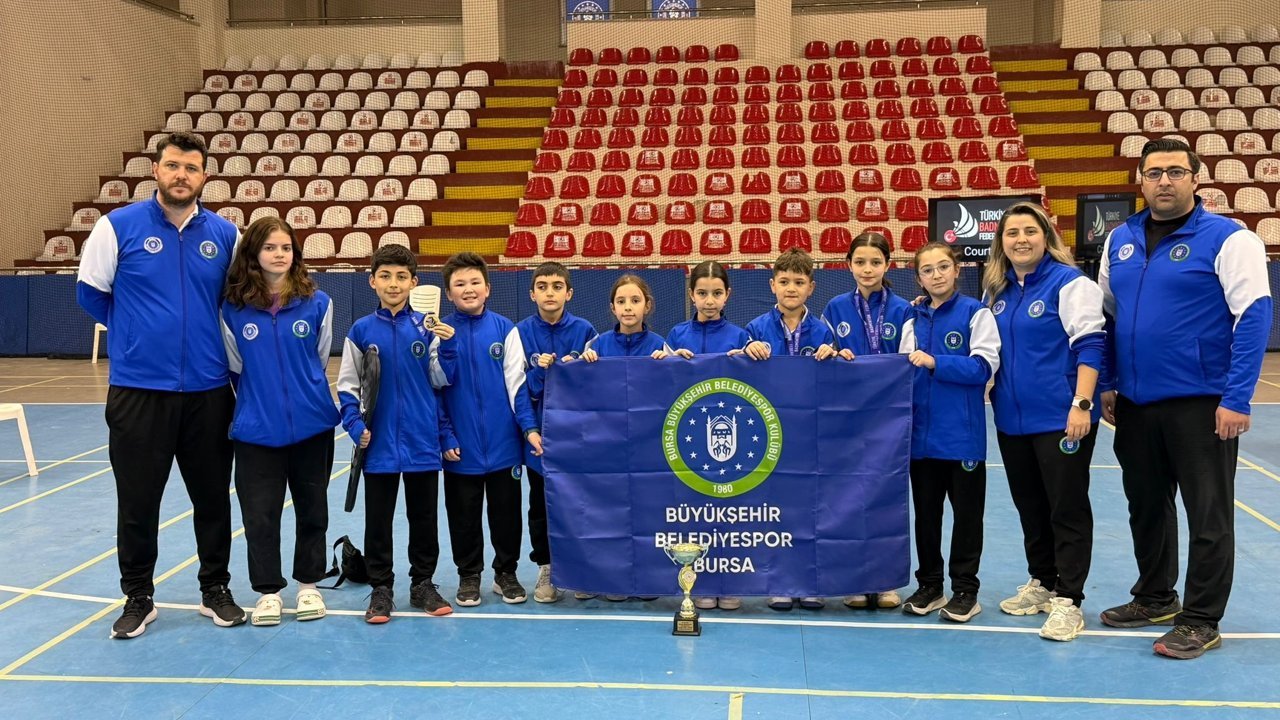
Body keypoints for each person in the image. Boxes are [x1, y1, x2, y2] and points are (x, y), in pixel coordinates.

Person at [1098, 138, 1272, 659]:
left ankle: (1200, 619)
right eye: (1154, 173)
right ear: (1141, 181)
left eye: (1176, 171)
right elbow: (1107, 316)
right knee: (1146, 508)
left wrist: (1237, 397)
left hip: (1202, 403)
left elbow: (1254, 315)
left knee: (1208, 515)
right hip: (1135, 403)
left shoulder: (1229, 238)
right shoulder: (1120, 239)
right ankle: (1155, 597)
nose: (1164, 181)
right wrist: (1108, 382)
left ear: (1196, 178)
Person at [76, 131, 245, 638]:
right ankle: (138, 596)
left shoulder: (226, 235)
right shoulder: (116, 226)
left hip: (208, 391)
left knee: (212, 498)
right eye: (173, 165)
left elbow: (235, 302)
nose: (181, 175)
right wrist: (135, 336)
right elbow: (91, 293)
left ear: (204, 176)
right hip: (139, 390)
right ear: (156, 170)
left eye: (191, 168)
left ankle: (215, 589)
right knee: (138, 500)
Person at [983, 203, 1105, 642]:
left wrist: (1082, 404)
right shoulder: (996, 292)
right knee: (1030, 506)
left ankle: (1069, 600)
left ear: (1046, 237)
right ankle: (1043, 581)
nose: (1021, 239)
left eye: (1029, 231)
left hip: (1061, 418)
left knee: (1066, 507)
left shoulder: (1071, 284)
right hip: (1012, 421)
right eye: (1012, 232)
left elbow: (1091, 345)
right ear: (1001, 242)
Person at [220, 217, 339, 626]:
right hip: (256, 430)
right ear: (253, 254)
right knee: (260, 516)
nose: (279, 254)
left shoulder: (318, 303)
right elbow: (235, 367)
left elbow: (318, 358)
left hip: (313, 426)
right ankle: (268, 592)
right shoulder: (232, 310)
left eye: (286, 247)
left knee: (313, 510)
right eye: (270, 247)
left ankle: (309, 585)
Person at [337, 244, 459, 623]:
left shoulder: (427, 327)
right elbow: (347, 387)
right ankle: (381, 588)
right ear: (372, 281)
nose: (393, 283)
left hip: (422, 441)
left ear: (414, 282)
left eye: (401, 277)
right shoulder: (361, 331)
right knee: (378, 521)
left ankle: (422, 583)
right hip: (378, 444)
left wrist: (448, 346)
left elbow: (442, 380)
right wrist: (355, 426)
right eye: (385, 276)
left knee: (424, 519)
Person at [899, 242, 1000, 623]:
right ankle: (929, 585)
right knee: (926, 517)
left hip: (962, 437)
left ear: (957, 270)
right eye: (927, 270)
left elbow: (982, 368)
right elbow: (900, 372)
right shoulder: (912, 319)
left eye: (943, 266)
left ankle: (965, 591)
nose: (936, 275)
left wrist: (935, 362)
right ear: (919, 278)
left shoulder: (977, 313)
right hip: (921, 439)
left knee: (967, 517)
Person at [438, 252, 541, 607]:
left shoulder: (505, 330)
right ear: (448, 293)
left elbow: (518, 387)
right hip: (460, 447)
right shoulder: (439, 333)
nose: (468, 289)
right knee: (463, 517)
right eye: (459, 284)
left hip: (504, 446)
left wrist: (528, 429)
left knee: (506, 515)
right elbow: (435, 391)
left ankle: (505, 573)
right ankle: (469, 576)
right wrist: (445, 435)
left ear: (488, 288)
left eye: (474, 282)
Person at [743, 247, 839, 611]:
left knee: (812, 509)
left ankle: (811, 582)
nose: (791, 288)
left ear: (811, 287)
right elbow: (738, 373)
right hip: (770, 435)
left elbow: (837, 380)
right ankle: (780, 581)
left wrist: (836, 356)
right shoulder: (755, 329)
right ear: (772, 285)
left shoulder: (823, 330)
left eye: (799, 282)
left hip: (810, 434)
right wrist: (746, 351)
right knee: (774, 510)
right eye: (784, 281)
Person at [823, 232, 910, 611]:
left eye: (875, 262)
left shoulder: (904, 309)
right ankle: (854, 580)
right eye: (860, 262)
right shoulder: (835, 308)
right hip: (846, 419)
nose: (868, 269)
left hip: (889, 421)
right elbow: (823, 357)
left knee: (886, 497)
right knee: (847, 498)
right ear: (849, 265)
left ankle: (886, 581)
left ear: (888, 265)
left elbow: (909, 361)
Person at [666, 261, 749, 612]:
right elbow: (661, 382)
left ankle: (728, 582)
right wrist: (668, 360)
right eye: (702, 293)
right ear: (691, 295)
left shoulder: (741, 336)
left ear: (728, 295)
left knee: (730, 511)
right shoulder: (676, 335)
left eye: (716, 293)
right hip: (688, 439)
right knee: (693, 511)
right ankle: (698, 579)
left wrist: (747, 359)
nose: (709, 301)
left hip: (729, 440)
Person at [515, 262, 597, 603]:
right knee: (541, 507)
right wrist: (530, 429)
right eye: (543, 286)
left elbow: (595, 385)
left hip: (577, 438)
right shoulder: (520, 333)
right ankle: (546, 567)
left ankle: (579, 568)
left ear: (569, 293)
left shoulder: (586, 331)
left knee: (579, 504)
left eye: (557, 286)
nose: (550, 292)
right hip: (540, 439)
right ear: (532, 293)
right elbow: (518, 389)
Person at [582, 274, 669, 360]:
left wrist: (667, 361)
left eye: (635, 301)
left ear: (647, 306)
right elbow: (583, 367)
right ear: (613, 308)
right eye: (621, 302)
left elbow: (671, 367)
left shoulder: (659, 345)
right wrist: (584, 361)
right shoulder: (600, 345)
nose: (627, 307)